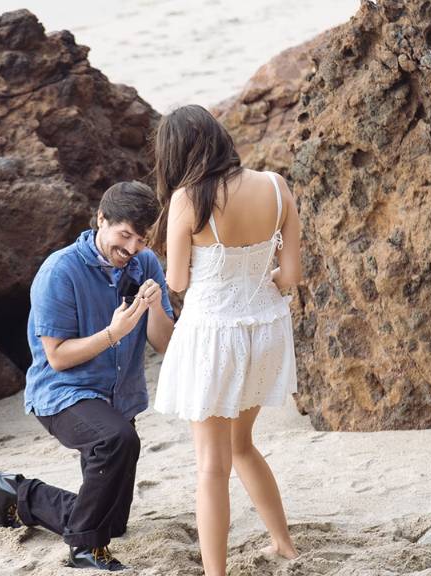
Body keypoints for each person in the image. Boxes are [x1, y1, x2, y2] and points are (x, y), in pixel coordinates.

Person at [0, 181, 175, 572]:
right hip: (63, 393)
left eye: (141, 239)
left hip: (117, 399)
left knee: (110, 522)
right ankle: (84, 551)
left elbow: (164, 343)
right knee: (117, 439)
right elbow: (58, 357)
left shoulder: (146, 263)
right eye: (125, 235)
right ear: (101, 219)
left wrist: (153, 308)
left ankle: (13, 493)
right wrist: (113, 334)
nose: (132, 248)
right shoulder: (59, 271)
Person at [149, 104, 301, 576]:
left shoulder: (189, 198)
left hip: (215, 338)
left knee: (211, 465)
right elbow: (290, 276)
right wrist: (255, 277)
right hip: (267, 331)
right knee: (242, 445)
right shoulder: (276, 185)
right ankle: (284, 545)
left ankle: (216, 574)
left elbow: (177, 281)